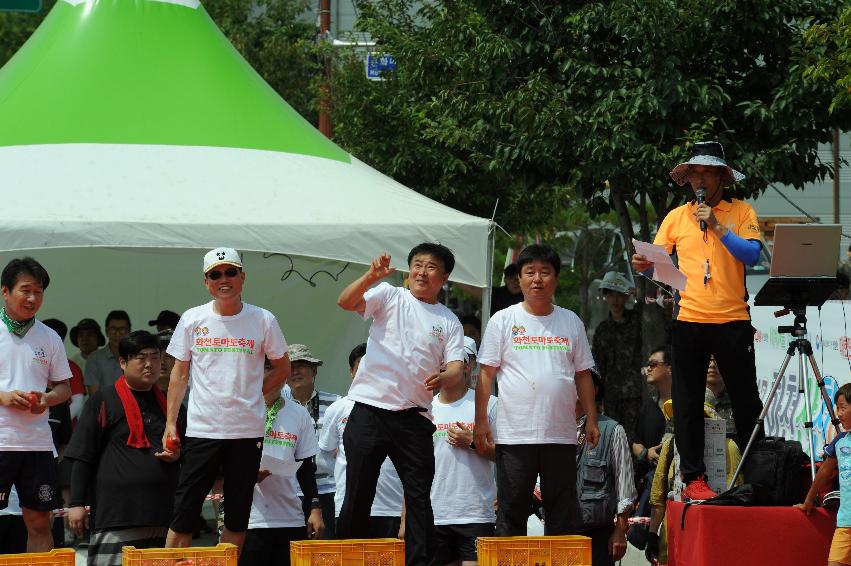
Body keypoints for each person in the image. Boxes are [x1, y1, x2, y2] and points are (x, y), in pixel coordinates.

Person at [632, 140, 764, 501]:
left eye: (706, 171)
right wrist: (644, 266)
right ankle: (694, 478)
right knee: (686, 401)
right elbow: (660, 264)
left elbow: (752, 255)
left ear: (722, 175)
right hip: (689, 318)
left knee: (746, 399)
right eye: (693, 172)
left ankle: (759, 471)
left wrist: (719, 227)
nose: (699, 179)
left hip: (733, 318)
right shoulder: (676, 217)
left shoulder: (741, 211)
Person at [336, 244, 465, 566]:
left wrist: (444, 377)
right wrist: (370, 276)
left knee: (419, 498)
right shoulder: (390, 295)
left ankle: (419, 562)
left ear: (445, 276)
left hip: (414, 419)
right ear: (409, 271)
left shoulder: (448, 320)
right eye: (417, 265)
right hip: (369, 410)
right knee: (357, 493)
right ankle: (346, 558)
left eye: (431, 267)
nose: (422, 272)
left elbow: (457, 366)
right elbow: (346, 302)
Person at [163, 247, 291, 554]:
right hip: (203, 431)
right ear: (206, 282)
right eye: (216, 274)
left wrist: (253, 394)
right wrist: (170, 423)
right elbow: (179, 375)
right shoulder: (193, 318)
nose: (224, 279)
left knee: (236, 518)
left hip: (246, 432)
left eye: (231, 272)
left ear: (243, 277)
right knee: (183, 515)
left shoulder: (263, 319)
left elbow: (283, 368)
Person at [475, 244, 598, 536]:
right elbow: (485, 374)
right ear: (519, 279)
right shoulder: (503, 320)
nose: (537, 279)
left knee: (562, 514)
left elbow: (583, 374)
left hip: (560, 435)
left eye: (545, 272)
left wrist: (591, 418)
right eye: (530, 272)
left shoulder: (570, 321)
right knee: (512, 512)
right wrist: (481, 421)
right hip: (515, 436)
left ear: (555, 278)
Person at [65, 331, 184, 566]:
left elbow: (188, 451)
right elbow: (82, 455)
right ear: (122, 362)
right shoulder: (101, 401)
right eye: (141, 358)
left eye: (155, 357)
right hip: (116, 515)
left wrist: (178, 455)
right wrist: (76, 503)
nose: (150, 364)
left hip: (162, 515)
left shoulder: (171, 405)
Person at [0, 257, 72, 552]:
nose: (32, 298)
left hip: (38, 444)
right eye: (25, 290)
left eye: (39, 291)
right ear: (5, 291)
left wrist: (47, 399)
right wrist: (2, 396)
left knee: (41, 522)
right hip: (2, 440)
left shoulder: (50, 337)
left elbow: (64, 387)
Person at [318, 343, 404, 539]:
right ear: (351, 372)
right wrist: (354, 470)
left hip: (391, 508)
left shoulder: (401, 408)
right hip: (349, 507)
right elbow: (323, 458)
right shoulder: (338, 408)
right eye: (361, 369)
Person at [430, 336, 497, 566]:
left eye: (452, 360)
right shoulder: (424, 408)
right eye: (441, 359)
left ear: (469, 365)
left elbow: (508, 456)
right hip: (435, 515)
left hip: (476, 514)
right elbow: (414, 468)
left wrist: (473, 442)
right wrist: (406, 518)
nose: (444, 365)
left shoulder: (490, 404)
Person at [241, 379, 323, 566]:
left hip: (290, 519)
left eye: (279, 371)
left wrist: (315, 508)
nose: (273, 377)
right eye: (267, 369)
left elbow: (306, 468)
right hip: (250, 520)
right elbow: (224, 462)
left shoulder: (299, 414)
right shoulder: (240, 410)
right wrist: (246, 475)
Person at [575, 370, 635, 566]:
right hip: (558, 532)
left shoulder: (612, 430)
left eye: (581, 382)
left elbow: (624, 487)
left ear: (595, 389)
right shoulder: (550, 427)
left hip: (596, 535)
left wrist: (620, 530)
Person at [282, 344, 339, 538]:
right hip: (290, 492)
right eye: (290, 367)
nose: (295, 372)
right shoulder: (276, 408)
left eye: (301, 366)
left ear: (314, 370)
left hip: (328, 491)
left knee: (328, 554)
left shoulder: (335, 404)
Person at [795, 383, 851, 566]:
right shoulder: (840, 441)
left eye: (843, 407)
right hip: (846, 523)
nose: (839, 414)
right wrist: (809, 500)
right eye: (837, 408)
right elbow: (825, 471)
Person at [592, 271, 642, 441]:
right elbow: (597, 365)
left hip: (636, 393)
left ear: (626, 297)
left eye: (619, 295)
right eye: (610, 295)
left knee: (636, 438)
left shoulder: (638, 321)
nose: (615, 300)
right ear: (605, 298)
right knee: (614, 439)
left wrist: (636, 291)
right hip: (611, 396)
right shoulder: (602, 330)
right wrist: (597, 399)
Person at [85, 311, 131, 395]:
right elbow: (94, 397)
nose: (117, 333)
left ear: (129, 332)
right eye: (113, 329)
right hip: (105, 407)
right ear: (106, 332)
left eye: (122, 329)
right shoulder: (94, 358)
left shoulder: (136, 356)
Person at [704, 356, 736, 438]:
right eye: (709, 359)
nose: (712, 365)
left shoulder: (738, 403)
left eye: (717, 360)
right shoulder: (689, 401)